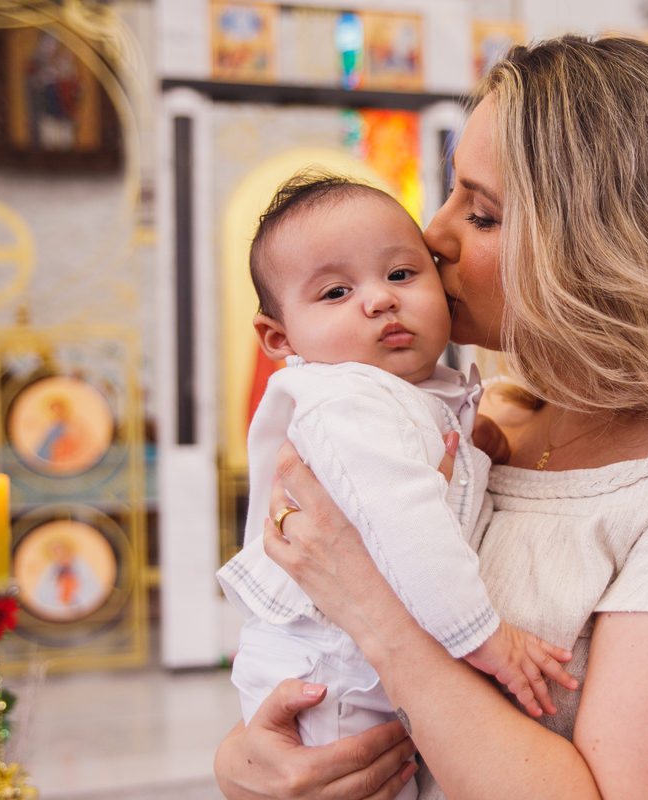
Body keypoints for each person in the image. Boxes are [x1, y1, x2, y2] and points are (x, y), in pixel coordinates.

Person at [215, 35, 648, 800]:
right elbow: (310, 661)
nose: (433, 235)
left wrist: (373, 608)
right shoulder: (491, 426)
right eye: (452, 190)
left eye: (483, 214)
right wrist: (249, 761)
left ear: (600, 248)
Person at [216, 171, 577, 800]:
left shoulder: (413, 393)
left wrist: (476, 452)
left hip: (362, 669)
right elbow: (407, 521)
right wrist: (484, 638)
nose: (379, 300)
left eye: (402, 275)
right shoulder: (347, 401)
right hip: (331, 677)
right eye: (335, 291)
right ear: (280, 338)